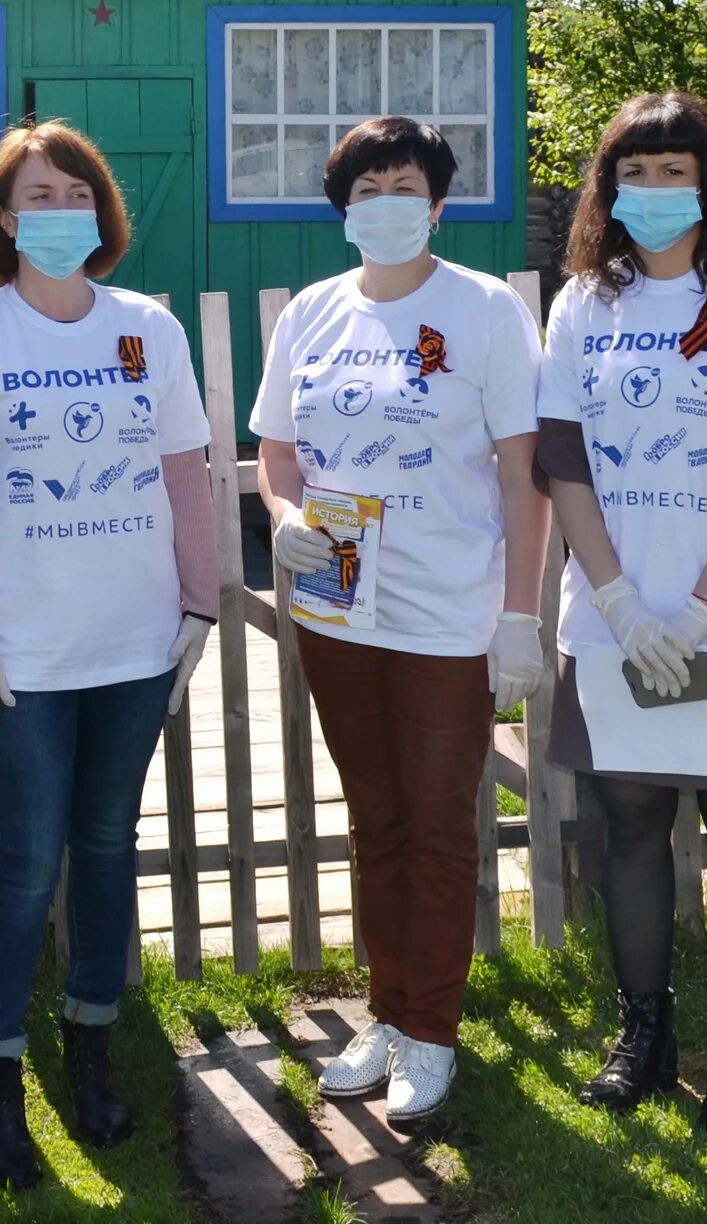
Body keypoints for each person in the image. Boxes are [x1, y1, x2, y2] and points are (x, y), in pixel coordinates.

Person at [0, 120, 218, 1189]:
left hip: (133, 641)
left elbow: (185, 470)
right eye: (32, 197)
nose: (54, 214)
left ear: (102, 213)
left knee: (107, 846)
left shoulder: (148, 329)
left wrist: (199, 605)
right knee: (26, 858)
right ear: (0, 219)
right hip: (22, 650)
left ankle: (89, 1040)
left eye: (72, 193)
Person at [250, 115, 549, 1122]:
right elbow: (279, 450)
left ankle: (433, 1027)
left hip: (448, 608)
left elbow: (522, 474)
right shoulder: (312, 313)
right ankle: (386, 1009)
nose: (388, 200)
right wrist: (285, 514)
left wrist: (519, 615)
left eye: (406, 183)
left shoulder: (486, 310)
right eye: (368, 185)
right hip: (339, 605)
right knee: (374, 816)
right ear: (344, 207)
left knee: (435, 822)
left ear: (438, 201)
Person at [534, 88, 707, 1137]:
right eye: (634, 170)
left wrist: (700, 608)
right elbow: (562, 455)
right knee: (632, 823)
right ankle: (642, 1032)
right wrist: (612, 593)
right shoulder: (581, 303)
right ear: (609, 186)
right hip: (612, 617)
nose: (652, 188)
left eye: (674, 168)